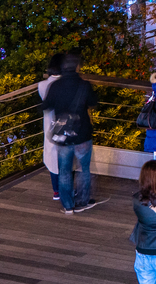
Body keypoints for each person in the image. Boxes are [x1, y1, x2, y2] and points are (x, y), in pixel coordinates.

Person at [44, 51, 99, 214]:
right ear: (77, 67)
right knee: (84, 169)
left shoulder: (55, 86)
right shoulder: (84, 85)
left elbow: (46, 105)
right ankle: (83, 201)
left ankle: (68, 205)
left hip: (64, 135)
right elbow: (94, 102)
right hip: (82, 133)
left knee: (64, 171)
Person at [38, 54, 63, 201]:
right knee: (66, 156)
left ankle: (56, 191)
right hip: (66, 122)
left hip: (49, 123)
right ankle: (68, 189)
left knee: (52, 155)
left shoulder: (42, 85)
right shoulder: (66, 84)